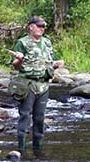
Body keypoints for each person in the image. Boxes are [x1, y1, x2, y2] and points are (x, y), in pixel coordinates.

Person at [9, 16, 64, 154]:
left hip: (44, 86)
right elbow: (15, 66)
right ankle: (20, 148)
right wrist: (19, 59)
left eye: (44, 26)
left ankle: (37, 149)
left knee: (40, 118)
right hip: (28, 85)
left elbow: (53, 60)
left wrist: (58, 64)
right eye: (39, 25)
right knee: (25, 116)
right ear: (31, 27)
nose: (42, 28)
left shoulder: (47, 43)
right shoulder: (22, 43)